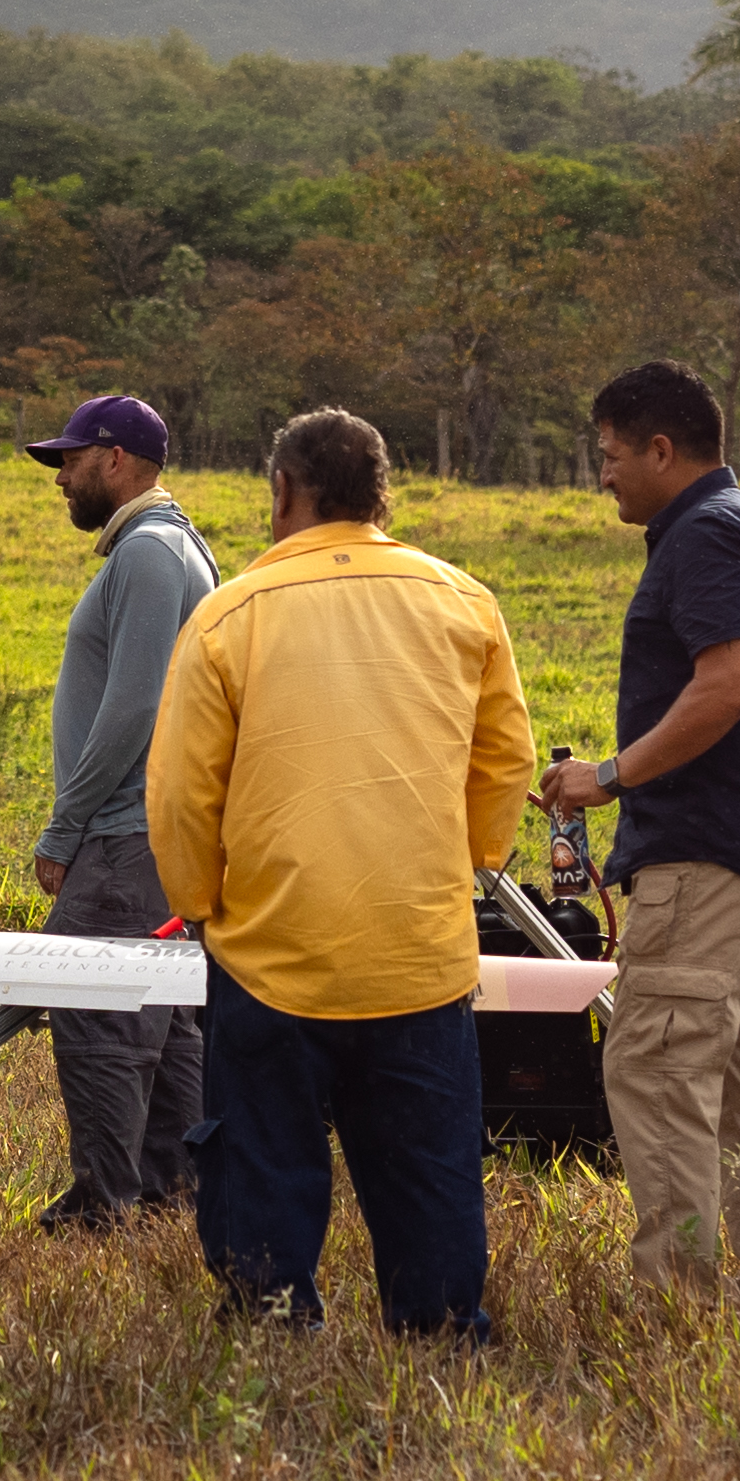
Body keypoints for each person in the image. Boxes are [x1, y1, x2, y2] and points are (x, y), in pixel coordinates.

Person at [144, 406, 533, 1340]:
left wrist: (200, 905)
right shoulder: (465, 604)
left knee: (267, 1154)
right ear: (378, 497)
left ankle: (278, 1314)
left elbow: (181, 795)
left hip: (273, 951)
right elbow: (505, 763)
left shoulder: (229, 615)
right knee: (428, 1163)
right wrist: (469, 863)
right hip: (420, 950)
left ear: (284, 492)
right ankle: (438, 1326)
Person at [538, 360, 740, 1306]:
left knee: (661, 1074)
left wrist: (610, 776)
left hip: (705, 863)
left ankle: (677, 1305)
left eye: (614, 455)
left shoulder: (703, 535)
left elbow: (731, 682)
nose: (606, 475)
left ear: (662, 449)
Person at [17, 392, 218, 1228]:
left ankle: (105, 1203)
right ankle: (171, 1193)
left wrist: (66, 826)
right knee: (163, 1016)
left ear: (115, 460)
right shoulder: (173, 547)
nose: (60, 478)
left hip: (123, 834)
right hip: (160, 832)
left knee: (96, 1002)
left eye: (70, 460)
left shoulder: (147, 556)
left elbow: (133, 707)